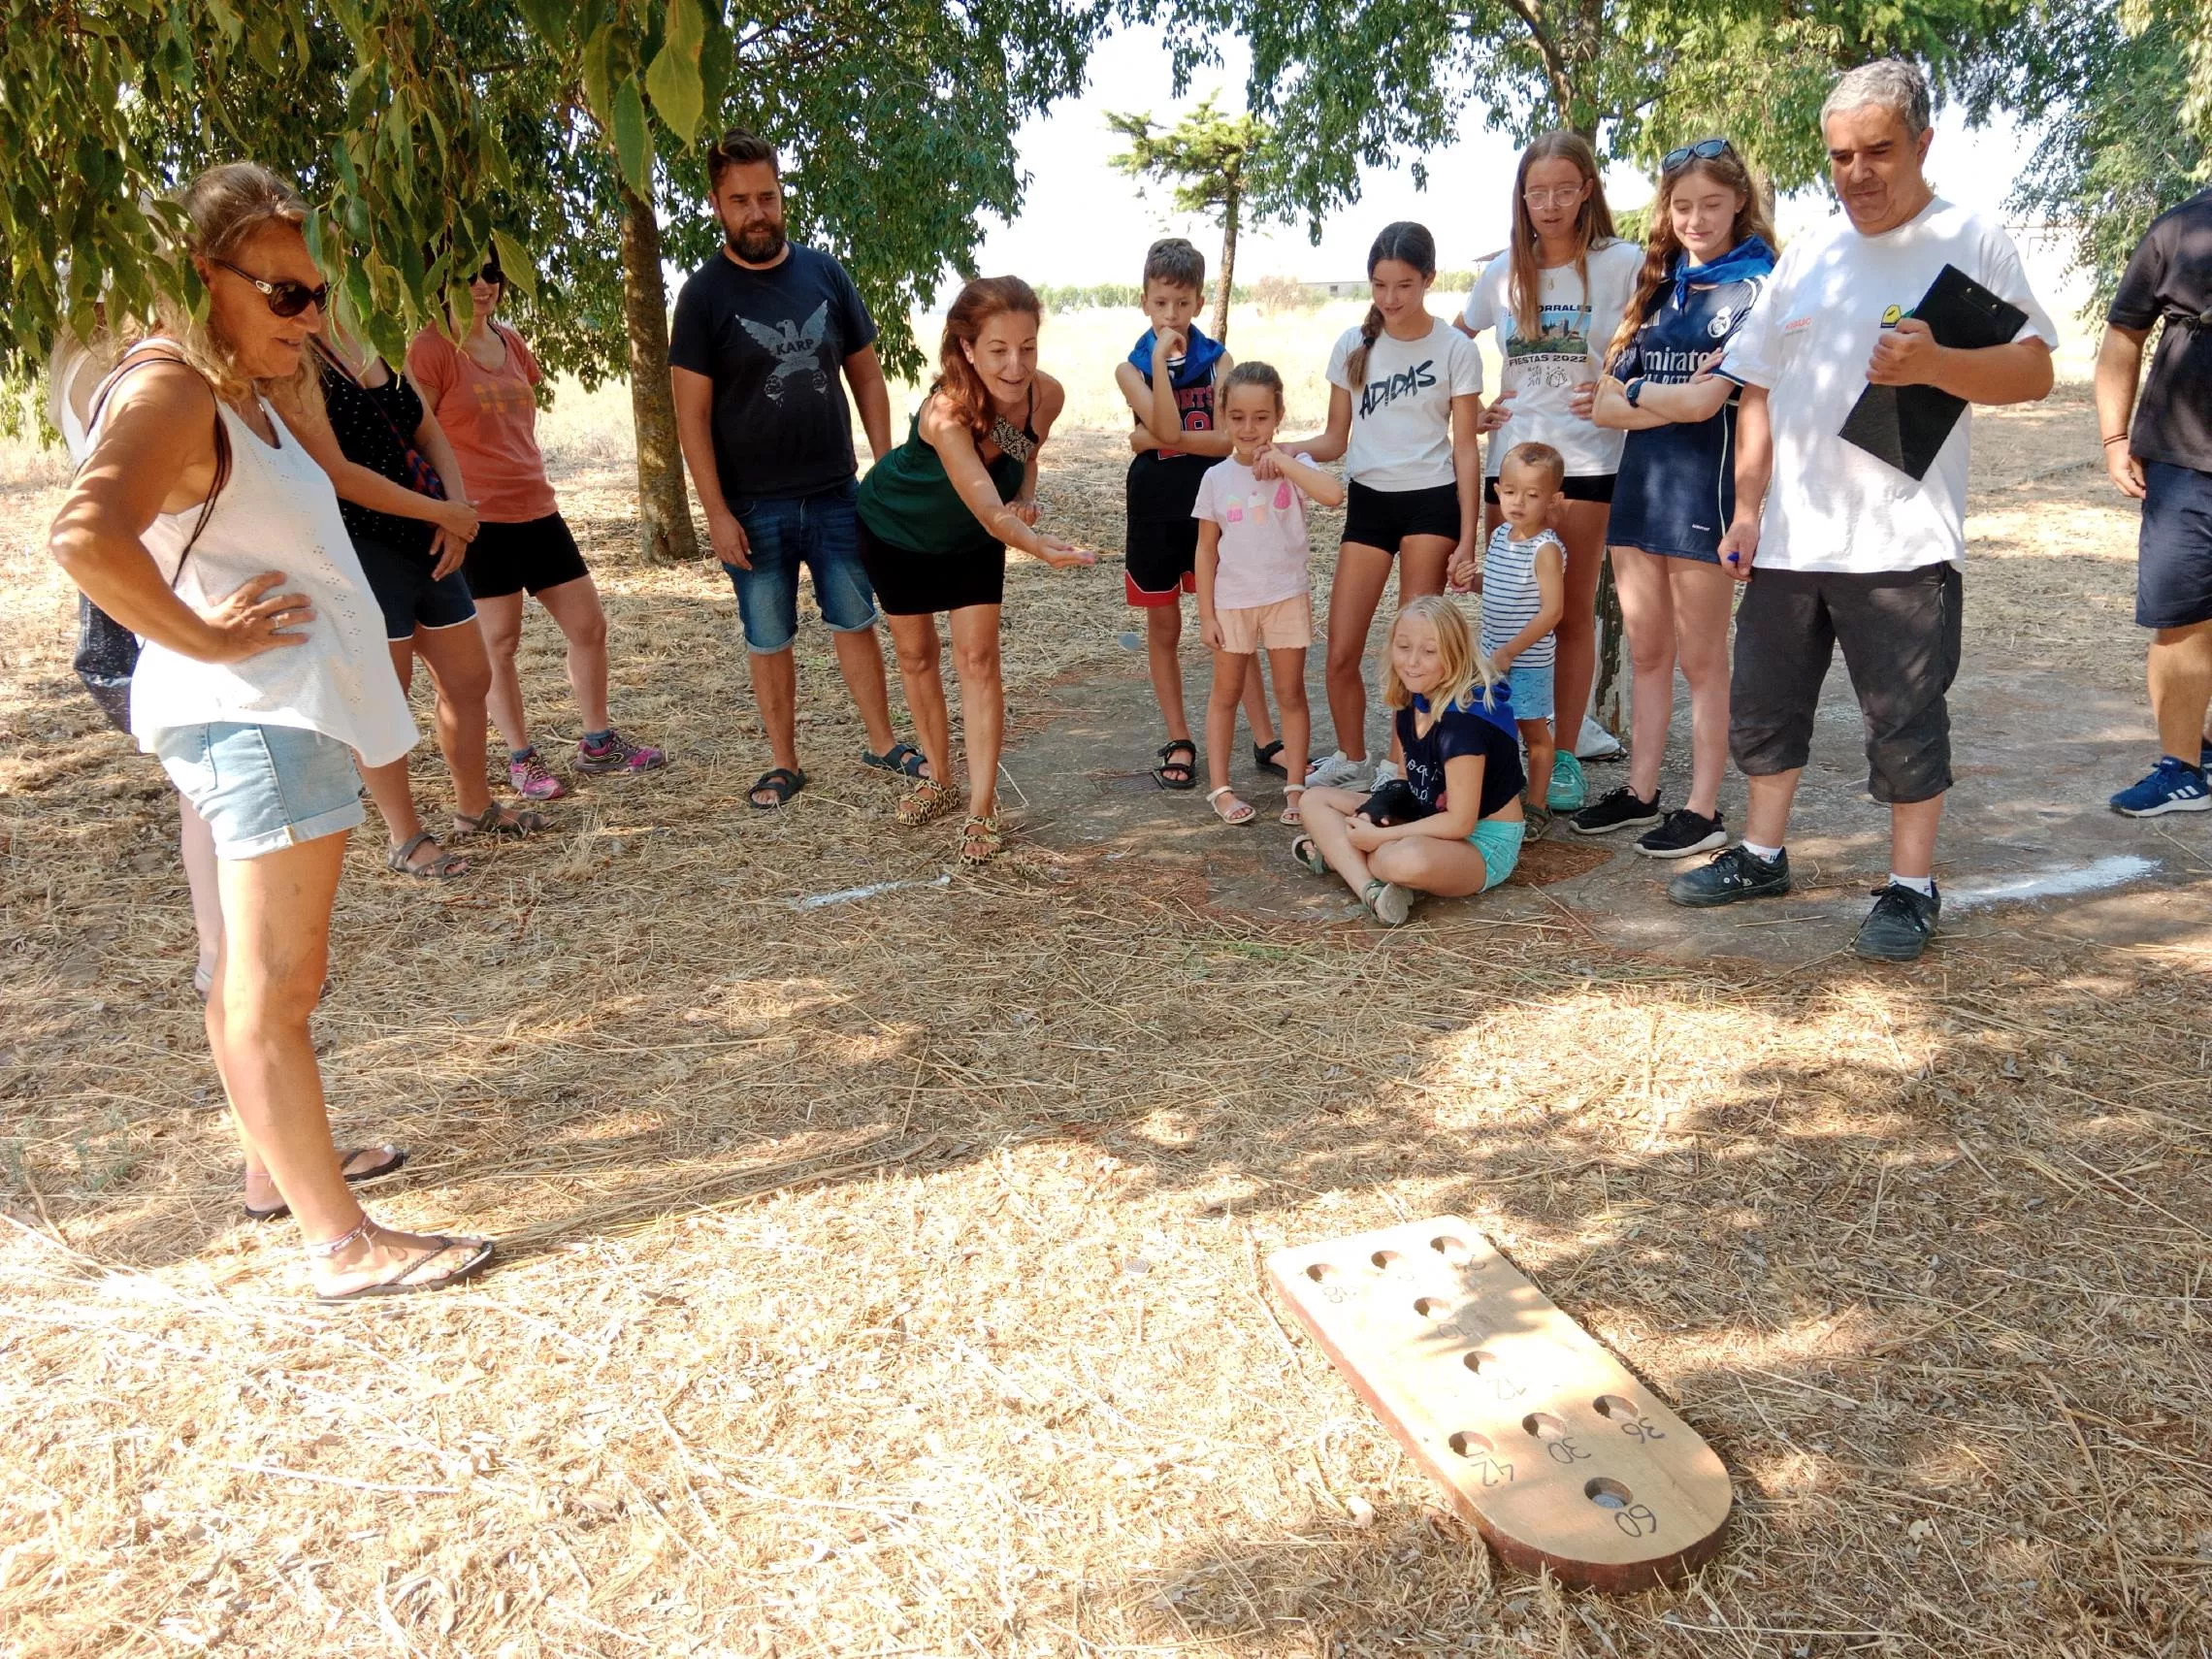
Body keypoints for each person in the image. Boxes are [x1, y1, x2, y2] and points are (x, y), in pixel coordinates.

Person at [48, 162, 492, 1296]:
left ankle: (274, 1174)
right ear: (206, 279)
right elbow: (85, 535)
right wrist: (204, 643)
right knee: (276, 984)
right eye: (286, 293)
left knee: (247, 973)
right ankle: (342, 1244)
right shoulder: (173, 389)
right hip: (253, 721)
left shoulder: (236, 387)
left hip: (268, 720)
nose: (313, 315)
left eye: (316, 292)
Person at [1670, 59, 2057, 962]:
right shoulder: (1807, 251)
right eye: (1841, 155)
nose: (1858, 174)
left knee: (1905, 722)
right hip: (1791, 539)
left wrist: (1937, 367)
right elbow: (1759, 390)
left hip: (1901, 540)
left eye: (1878, 151)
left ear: (1923, 143)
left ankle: (1911, 887)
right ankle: (1762, 855)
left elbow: (2036, 370)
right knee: (1766, 709)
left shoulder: (1971, 239)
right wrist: (1747, 509)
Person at [669, 128, 925, 811]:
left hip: (838, 493)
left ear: (782, 194)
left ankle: (882, 741)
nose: (758, 212)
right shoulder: (702, 297)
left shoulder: (825, 274)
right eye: (740, 200)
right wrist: (716, 513)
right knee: (769, 636)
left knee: (854, 619)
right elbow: (689, 416)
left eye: (768, 196)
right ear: (717, 205)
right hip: (753, 508)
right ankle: (784, 763)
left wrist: (884, 468)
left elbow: (868, 378)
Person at [272, 322, 545, 880]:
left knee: (470, 678)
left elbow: (431, 433)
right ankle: (405, 837)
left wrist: (454, 508)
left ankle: (476, 808)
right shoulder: (294, 358)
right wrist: (441, 514)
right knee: (382, 696)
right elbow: (337, 473)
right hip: (360, 546)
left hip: (430, 537)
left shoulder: (374, 333)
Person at [1575, 138, 1778, 858]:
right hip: (1641, 490)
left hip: (1706, 492)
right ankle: (1642, 790)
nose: (1696, 218)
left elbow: (1707, 407)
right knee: (1647, 650)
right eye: (1683, 205)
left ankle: (1703, 807)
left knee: (1702, 660)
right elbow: (1601, 405)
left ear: (1738, 204)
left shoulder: (1756, 285)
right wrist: (1651, 395)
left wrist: (1637, 394)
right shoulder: (1657, 286)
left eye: (1712, 205)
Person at [854, 276, 1096, 862]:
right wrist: (1034, 541)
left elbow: (1023, 451)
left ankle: (981, 807)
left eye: (1028, 347)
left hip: (976, 536)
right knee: (916, 657)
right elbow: (988, 508)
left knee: (979, 660)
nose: (1016, 366)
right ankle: (939, 778)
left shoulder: (1048, 394)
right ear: (966, 348)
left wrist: (1027, 499)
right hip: (897, 528)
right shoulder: (946, 413)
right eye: (998, 350)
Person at [409, 262, 664, 801]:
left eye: (492, 273)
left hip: (538, 510)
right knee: (498, 644)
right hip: (480, 521)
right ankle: (521, 759)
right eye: (469, 274)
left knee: (589, 626)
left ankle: (598, 744)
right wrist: (445, 508)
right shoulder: (429, 350)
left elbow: (515, 419)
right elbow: (418, 437)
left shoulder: (512, 341)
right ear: (442, 280)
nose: (483, 284)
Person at [1457, 132, 1643, 813]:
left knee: (1568, 615)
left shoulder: (1622, 264)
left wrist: (1616, 385)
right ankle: (1513, 743)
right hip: (1512, 463)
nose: (1551, 203)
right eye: (1537, 191)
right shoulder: (1502, 270)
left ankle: (1563, 756)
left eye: (1565, 189)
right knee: (1507, 610)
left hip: (1589, 460)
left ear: (1588, 189)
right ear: (1522, 197)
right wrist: (1471, 405)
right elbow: (1455, 338)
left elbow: (1651, 338)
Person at [1299, 222, 1485, 791]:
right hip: (1368, 502)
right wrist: (1280, 450)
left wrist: (1468, 538)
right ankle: (1352, 756)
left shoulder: (1456, 349)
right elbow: (1334, 439)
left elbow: (1465, 449)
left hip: (1431, 503)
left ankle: (1398, 767)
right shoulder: (1352, 346)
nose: (1390, 298)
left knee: (1417, 653)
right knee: (1341, 650)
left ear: (1428, 279)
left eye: (1404, 285)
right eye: (1379, 285)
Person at [1114, 237, 1282, 791]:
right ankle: (1180, 738)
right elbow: (1168, 427)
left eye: (1182, 304)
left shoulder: (1220, 360)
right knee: (1164, 625)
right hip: (1156, 506)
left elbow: (1223, 441)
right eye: (1161, 303)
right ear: (1145, 301)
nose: (1171, 315)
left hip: (1214, 501)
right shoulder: (1129, 367)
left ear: (1198, 302)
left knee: (1232, 620)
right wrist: (1160, 367)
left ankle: (1263, 737)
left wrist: (1156, 438)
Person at [1291, 596, 1526, 926]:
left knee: (1399, 860)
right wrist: (1379, 809)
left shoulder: (1463, 725)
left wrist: (1377, 836)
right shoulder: (1411, 699)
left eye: (1429, 652)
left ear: (1455, 655)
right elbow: (1406, 777)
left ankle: (1339, 855)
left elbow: (1461, 823)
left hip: (1481, 841)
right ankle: (1372, 893)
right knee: (1314, 798)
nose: (1413, 662)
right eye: (1403, 647)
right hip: (1426, 809)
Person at [2096, 184, 2212, 816]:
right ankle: (2182, 768)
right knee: (2182, 612)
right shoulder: (2179, 227)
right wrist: (2115, 436)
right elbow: (2123, 335)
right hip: (2182, 455)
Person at [1190, 361, 1342, 826]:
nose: (1249, 428)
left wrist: (1287, 462)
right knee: (1226, 693)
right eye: (1237, 417)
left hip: (1286, 597)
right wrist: (1207, 614)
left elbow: (1333, 494)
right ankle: (1220, 788)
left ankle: (1296, 787)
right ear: (1223, 415)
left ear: (1278, 413)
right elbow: (1205, 550)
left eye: (1260, 417)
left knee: (1290, 691)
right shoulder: (1216, 478)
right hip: (1233, 603)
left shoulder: (1295, 467)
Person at [1460, 441, 1567, 833]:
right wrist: (1473, 582)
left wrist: (1510, 651)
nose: (1518, 502)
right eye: (1510, 492)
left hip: (1526, 661)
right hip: (1493, 656)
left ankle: (1538, 806)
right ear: (1497, 490)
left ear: (1553, 499)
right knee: (1494, 726)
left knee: (1534, 732)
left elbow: (1552, 611)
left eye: (1532, 495)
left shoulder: (1546, 549)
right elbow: (1501, 586)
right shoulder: (1503, 534)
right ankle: (1503, 796)